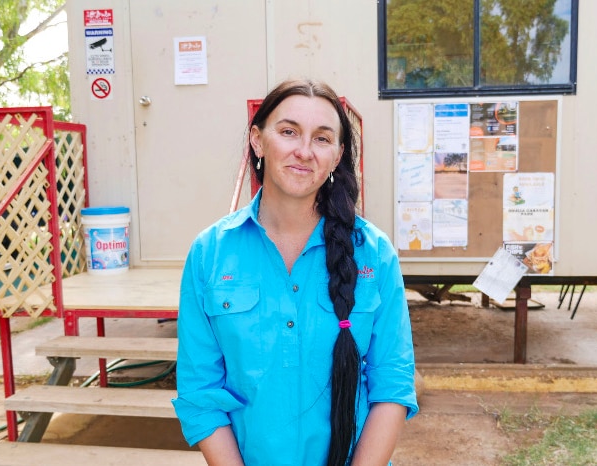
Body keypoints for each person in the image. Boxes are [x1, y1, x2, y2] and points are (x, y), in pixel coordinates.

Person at [172, 79, 418, 465]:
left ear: (337, 155)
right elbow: (199, 391)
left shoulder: (374, 253)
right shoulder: (209, 253)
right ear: (258, 141)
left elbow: (393, 384)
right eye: (288, 132)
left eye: (322, 139)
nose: (304, 151)